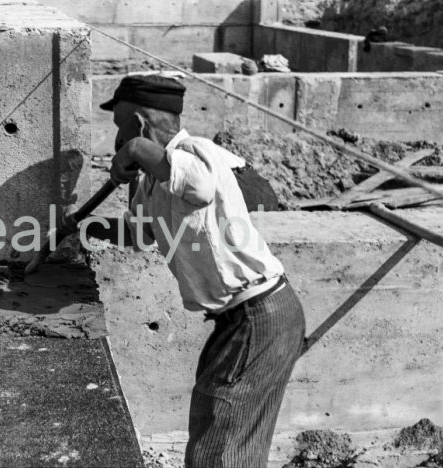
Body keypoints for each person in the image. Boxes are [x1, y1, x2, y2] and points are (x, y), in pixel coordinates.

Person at [71, 74, 306, 467]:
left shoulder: (197, 152)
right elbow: (140, 234)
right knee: (222, 432)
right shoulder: (155, 181)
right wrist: (81, 227)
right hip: (241, 319)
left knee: (219, 445)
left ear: (141, 125)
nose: (115, 140)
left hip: (259, 314)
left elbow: (197, 186)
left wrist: (134, 148)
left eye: (120, 130)